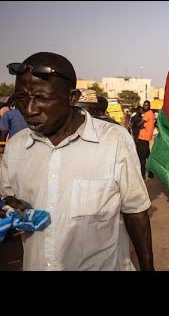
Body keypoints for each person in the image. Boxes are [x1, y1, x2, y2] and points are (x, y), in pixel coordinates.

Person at [0, 52, 154, 271]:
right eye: (22, 99)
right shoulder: (16, 147)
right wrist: (9, 209)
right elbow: (6, 202)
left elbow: (135, 211)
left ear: (72, 97)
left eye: (42, 99)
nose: (30, 110)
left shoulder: (113, 140)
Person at [137, 100, 155, 179]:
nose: (145, 107)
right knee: (148, 156)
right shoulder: (151, 113)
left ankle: (142, 175)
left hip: (143, 138)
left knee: (142, 158)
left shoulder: (147, 114)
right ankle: (151, 173)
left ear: (149, 106)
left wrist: (140, 125)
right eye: (144, 105)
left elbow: (139, 124)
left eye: (146, 105)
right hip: (147, 138)